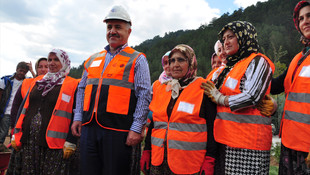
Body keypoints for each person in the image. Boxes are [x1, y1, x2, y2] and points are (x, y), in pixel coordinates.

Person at [71, 5, 151, 175]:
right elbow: (82, 89)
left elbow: (144, 94)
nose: (112, 31)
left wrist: (137, 128)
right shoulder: (92, 59)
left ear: (129, 31)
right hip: (89, 128)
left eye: (118, 27)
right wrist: (78, 116)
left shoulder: (137, 59)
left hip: (117, 131)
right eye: (109, 27)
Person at [201, 21, 275, 174]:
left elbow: (252, 96)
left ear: (244, 37)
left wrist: (220, 98)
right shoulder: (230, 66)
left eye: (231, 37)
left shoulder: (258, 61)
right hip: (225, 141)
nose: (226, 42)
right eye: (224, 39)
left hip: (249, 145)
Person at [140, 44, 217, 175]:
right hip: (158, 162)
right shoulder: (164, 88)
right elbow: (155, 123)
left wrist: (210, 158)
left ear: (191, 62)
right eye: (172, 61)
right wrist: (147, 150)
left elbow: (212, 128)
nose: (175, 64)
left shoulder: (203, 88)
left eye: (181, 60)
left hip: (188, 164)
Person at [8, 49, 79, 175]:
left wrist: (71, 140)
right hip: (30, 141)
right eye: (50, 59)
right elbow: (23, 108)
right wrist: (16, 132)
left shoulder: (73, 84)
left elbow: (77, 114)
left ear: (65, 62)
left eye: (56, 60)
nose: (52, 63)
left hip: (54, 145)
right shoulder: (37, 82)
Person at [270, 1, 310, 174]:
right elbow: (275, 85)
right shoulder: (297, 59)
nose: (305, 21)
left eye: (309, 16)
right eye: (301, 18)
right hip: (290, 144)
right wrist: (252, 68)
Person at [11, 57, 48, 130]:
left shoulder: (58, 87)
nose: (43, 69)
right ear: (36, 70)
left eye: (46, 67)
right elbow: (16, 105)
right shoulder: (26, 83)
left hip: (45, 129)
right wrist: (14, 126)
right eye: (40, 67)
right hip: (24, 127)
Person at [0, 62, 29, 145]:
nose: (22, 73)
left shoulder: (27, 82)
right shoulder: (6, 80)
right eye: (20, 71)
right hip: (6, 112)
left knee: (14, 135)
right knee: (2, 133)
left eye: (24, 72)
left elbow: (38, 80)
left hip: (18, 113)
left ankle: (10, 154)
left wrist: (32, 70)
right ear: (16, 69)